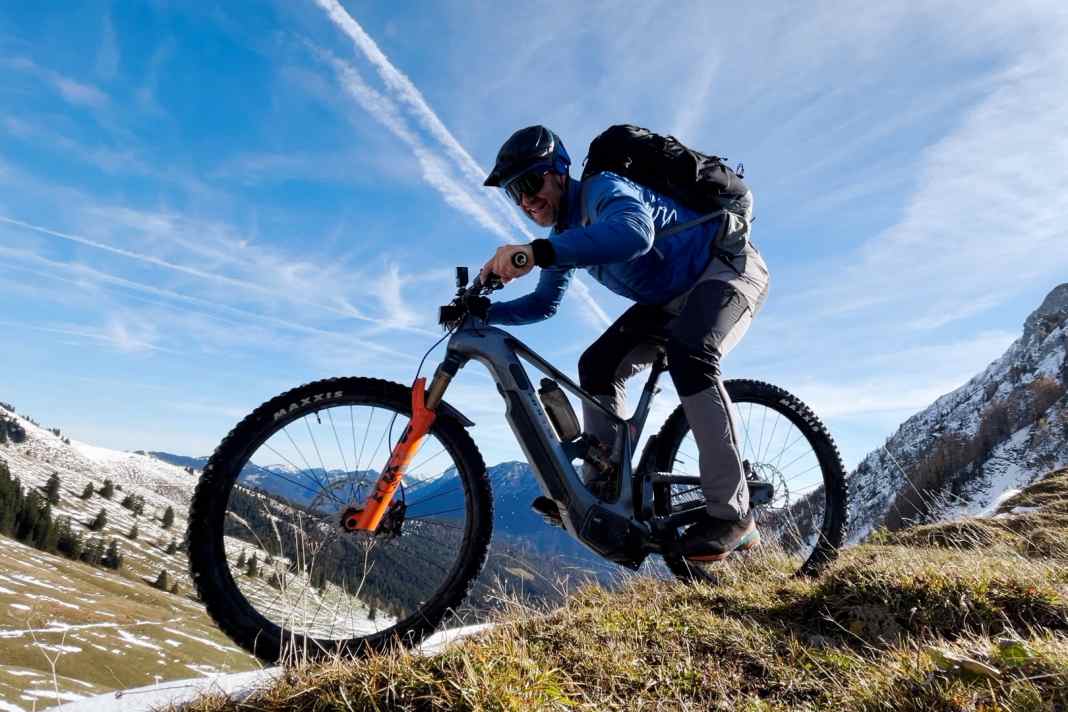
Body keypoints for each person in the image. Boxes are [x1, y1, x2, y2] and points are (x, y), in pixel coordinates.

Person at [480, 125, 769, 562]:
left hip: (728, 269)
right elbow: (543, 305)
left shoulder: (602, 189)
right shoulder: (564, 234)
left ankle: (734, 516)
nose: (524, 200)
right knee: (597, 365)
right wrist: (484, 312)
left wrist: (533, 253)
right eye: (512, 193)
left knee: (691, 355)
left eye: (529, 183)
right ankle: (601, 492)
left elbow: (636, 234)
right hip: (671, 299)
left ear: (559, 171)